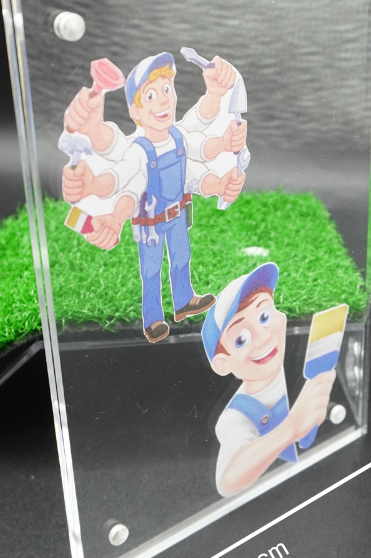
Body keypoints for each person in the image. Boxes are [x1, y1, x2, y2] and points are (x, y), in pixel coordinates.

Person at [61, 52, 248, 342]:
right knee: (150, 271)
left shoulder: (179, 137)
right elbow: (122, 182)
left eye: (166, 89)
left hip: (178, 216)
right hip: (150, 224)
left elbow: (200, 159)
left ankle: (184, 299)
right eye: (150, 95)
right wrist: (94, 187)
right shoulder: (137, 150)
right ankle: (153, 319)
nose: (162, 101)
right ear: (135, 111)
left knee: (182, 257)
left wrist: (224, 154)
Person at [201, 263, 335, 497]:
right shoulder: (236, 417)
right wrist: (292, 427)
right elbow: (228, 481)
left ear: (280, 317)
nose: (263, 337)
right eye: (240, 340)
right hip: (277, 495)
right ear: (223, 363)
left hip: (319, 474)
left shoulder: (300, 365)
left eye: (264, 316)